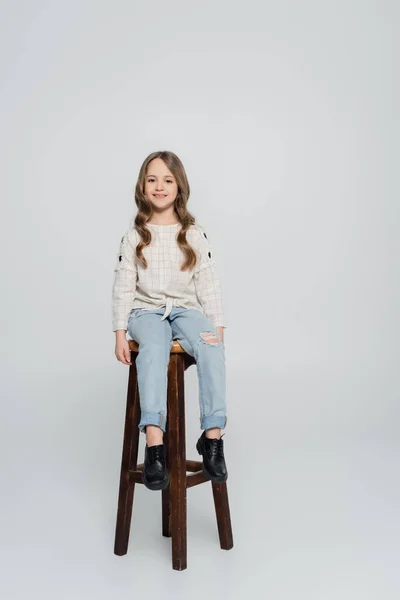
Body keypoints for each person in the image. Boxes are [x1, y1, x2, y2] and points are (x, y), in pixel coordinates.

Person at [112, 150, 228, 491]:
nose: (159, 186)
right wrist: (120, 333)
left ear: (179, 186)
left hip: (185, 309)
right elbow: (122, 288)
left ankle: (213, 437)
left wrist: (216, 329)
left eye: (167, 179)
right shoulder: (135, 235)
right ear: (142, 186)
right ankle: (154, 443)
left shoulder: (193, 232)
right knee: (154, 346)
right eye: (152, 179)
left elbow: (208, 281)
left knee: (209, 347)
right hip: (145, 311)